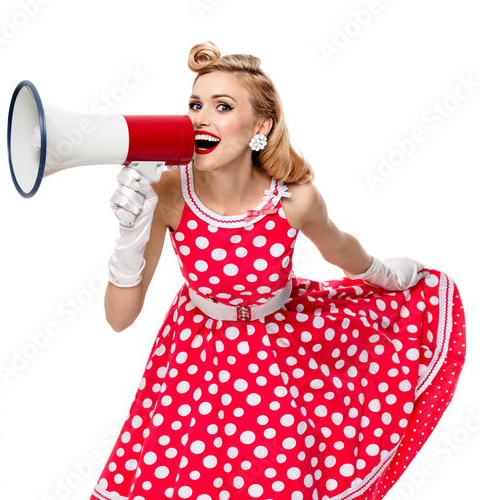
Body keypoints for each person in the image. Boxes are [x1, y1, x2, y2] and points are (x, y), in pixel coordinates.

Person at [90, 41, 466, 500]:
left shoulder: (294, 199)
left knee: (275, 476)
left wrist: (388, 275)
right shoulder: (168, 191)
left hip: (281, 353)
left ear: (261, 125)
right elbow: (118, 317)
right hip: (194, 359)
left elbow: (341, 249)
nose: (199, 118)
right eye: (194, 105)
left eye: (222, 106)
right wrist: (129, 232)